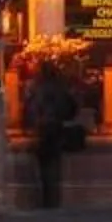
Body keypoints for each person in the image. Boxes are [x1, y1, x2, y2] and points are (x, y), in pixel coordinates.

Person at [29, 62, 78, 210]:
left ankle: (47, 197)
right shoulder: (59, 89)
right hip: (56, 128)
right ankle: (53, 197)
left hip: (44, 129)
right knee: (54, 165)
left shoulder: (39, 89)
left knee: (44, 165)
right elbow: (70, 107)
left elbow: (32, 109)